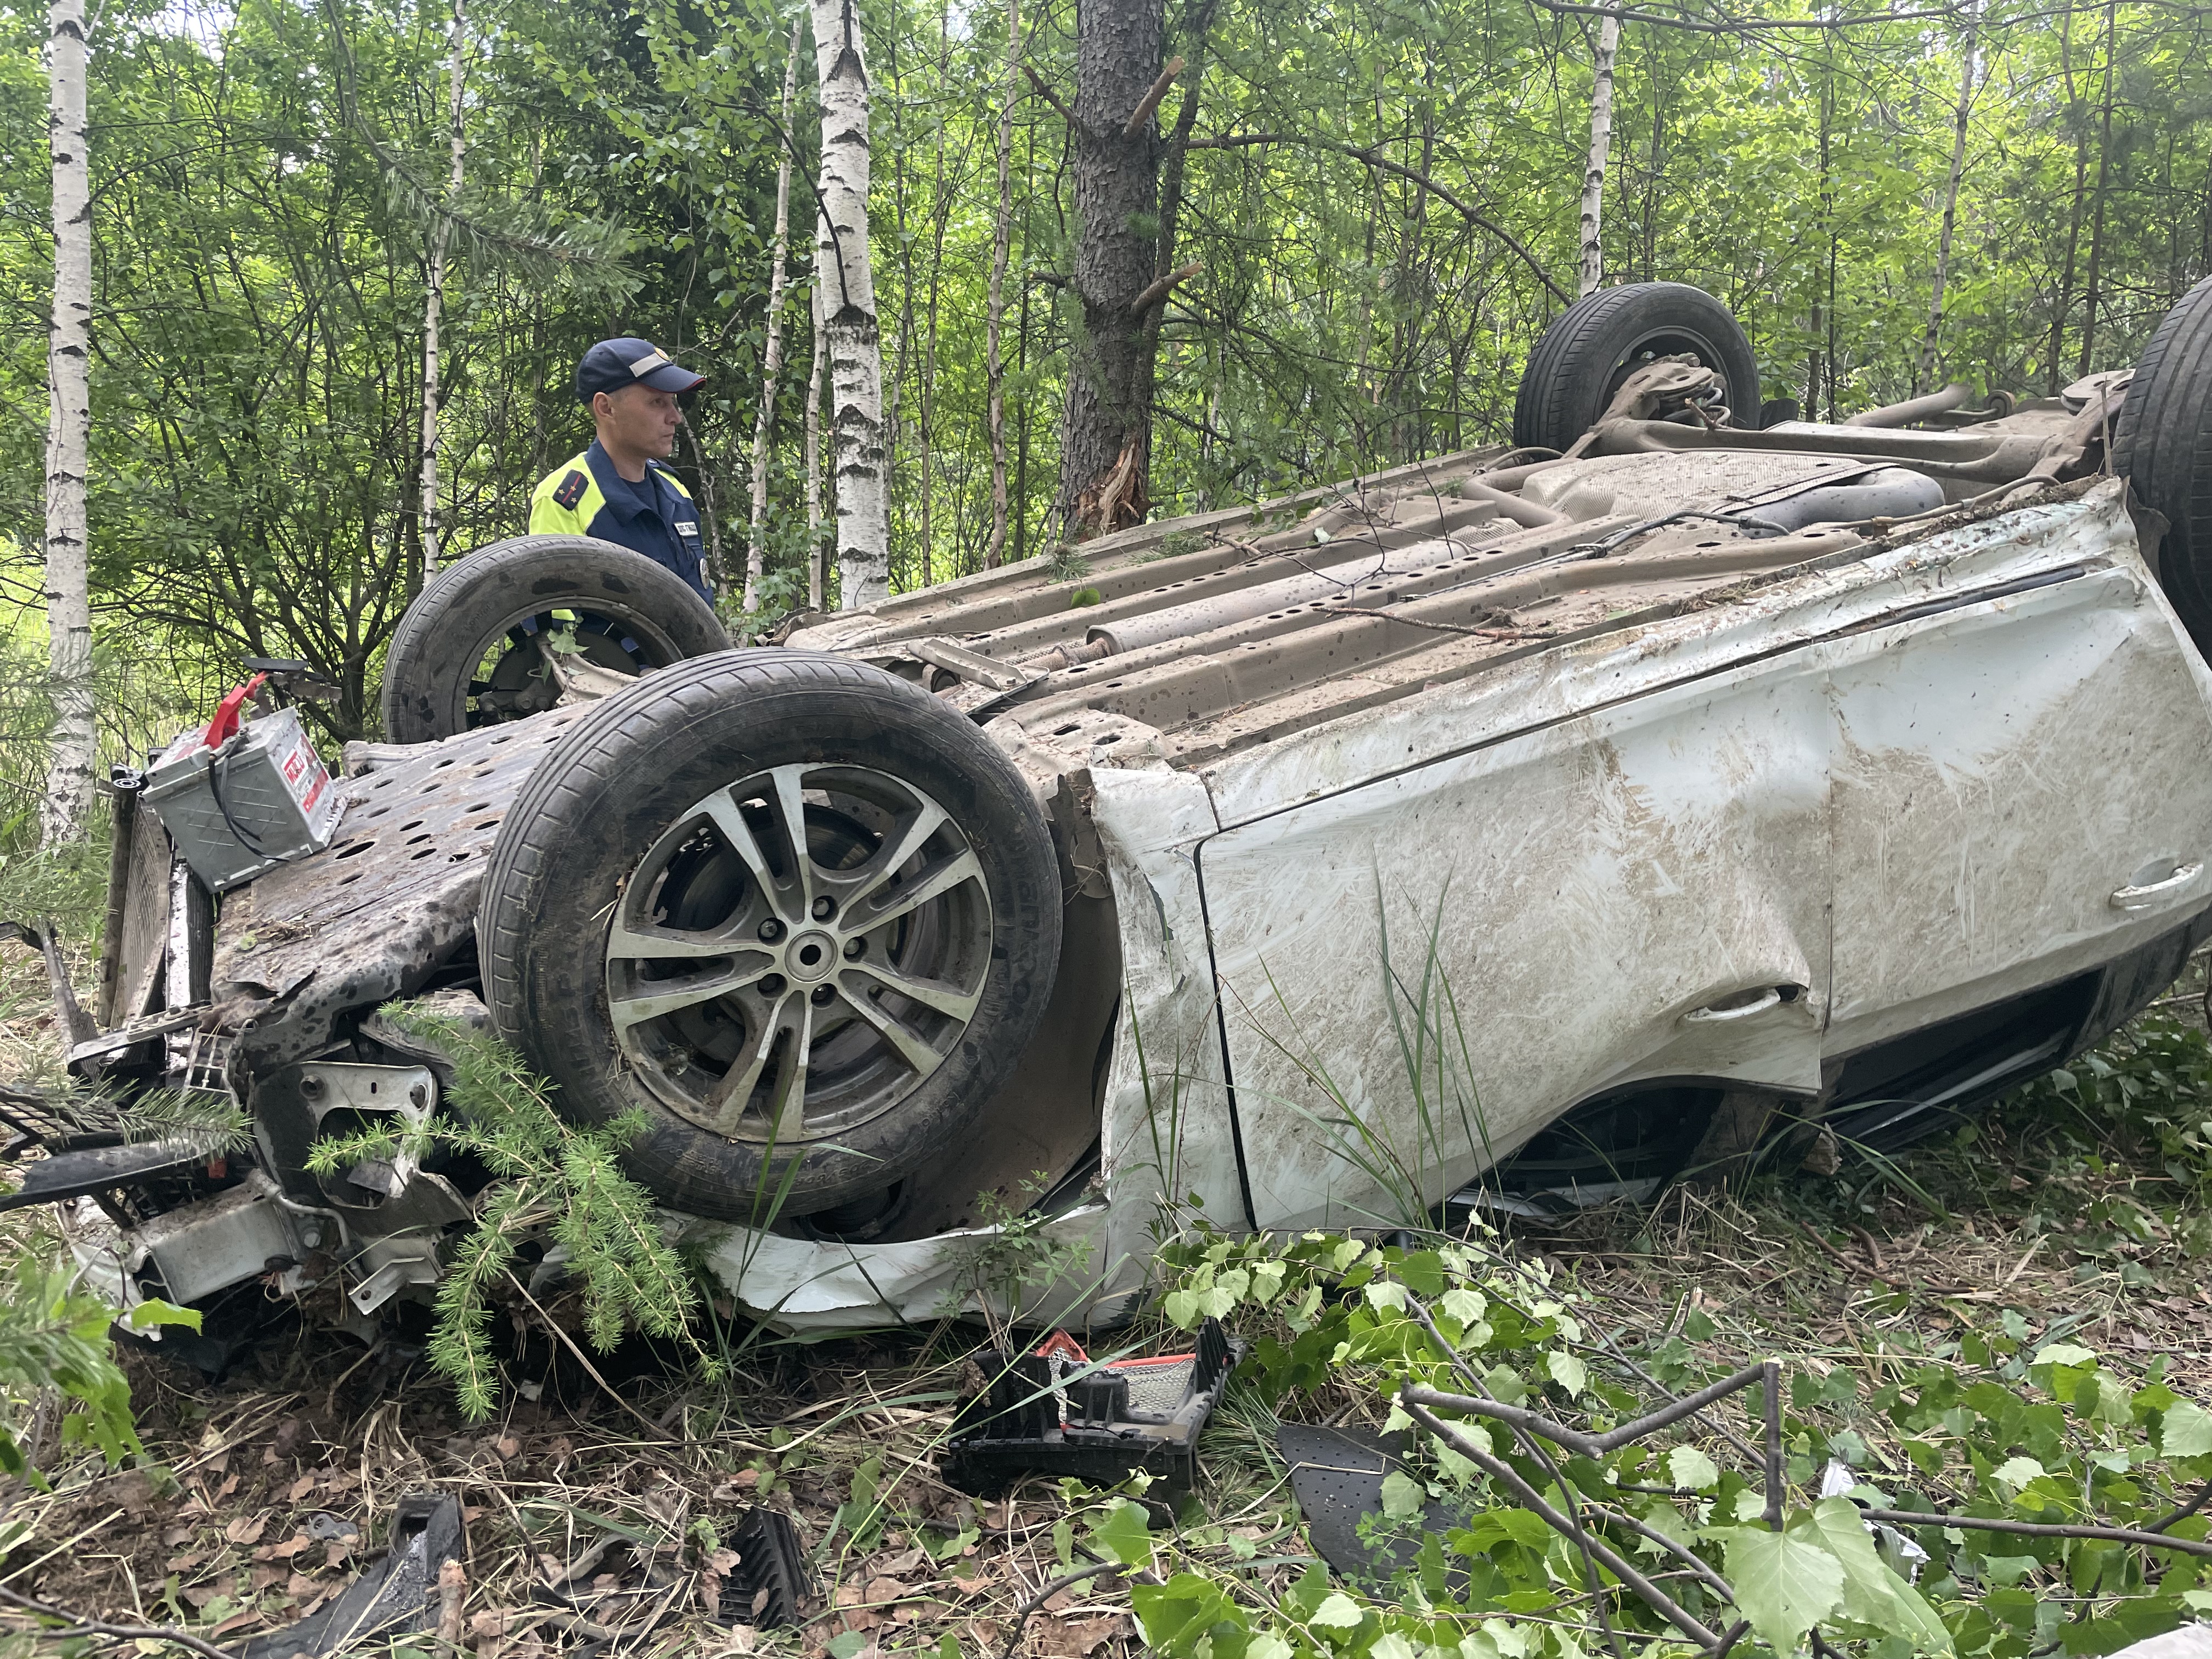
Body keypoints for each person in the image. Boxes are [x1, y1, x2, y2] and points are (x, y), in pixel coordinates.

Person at [529, 338, 713, 600]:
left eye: (673, 402)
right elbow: (557, 630)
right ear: (606, 408)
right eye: (657, 402)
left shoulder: (676, 492)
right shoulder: (564, 501)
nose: (676, 417)